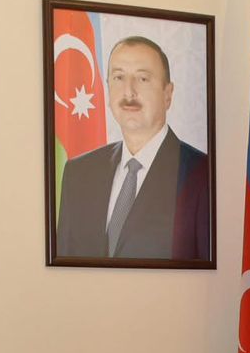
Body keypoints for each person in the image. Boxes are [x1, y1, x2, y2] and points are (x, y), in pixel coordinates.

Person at [55, 35, 210, 260]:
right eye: (118, 77)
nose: (128, 92)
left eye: (143, 79)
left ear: (168, 94)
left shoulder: (203, 176)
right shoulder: (78, 173)